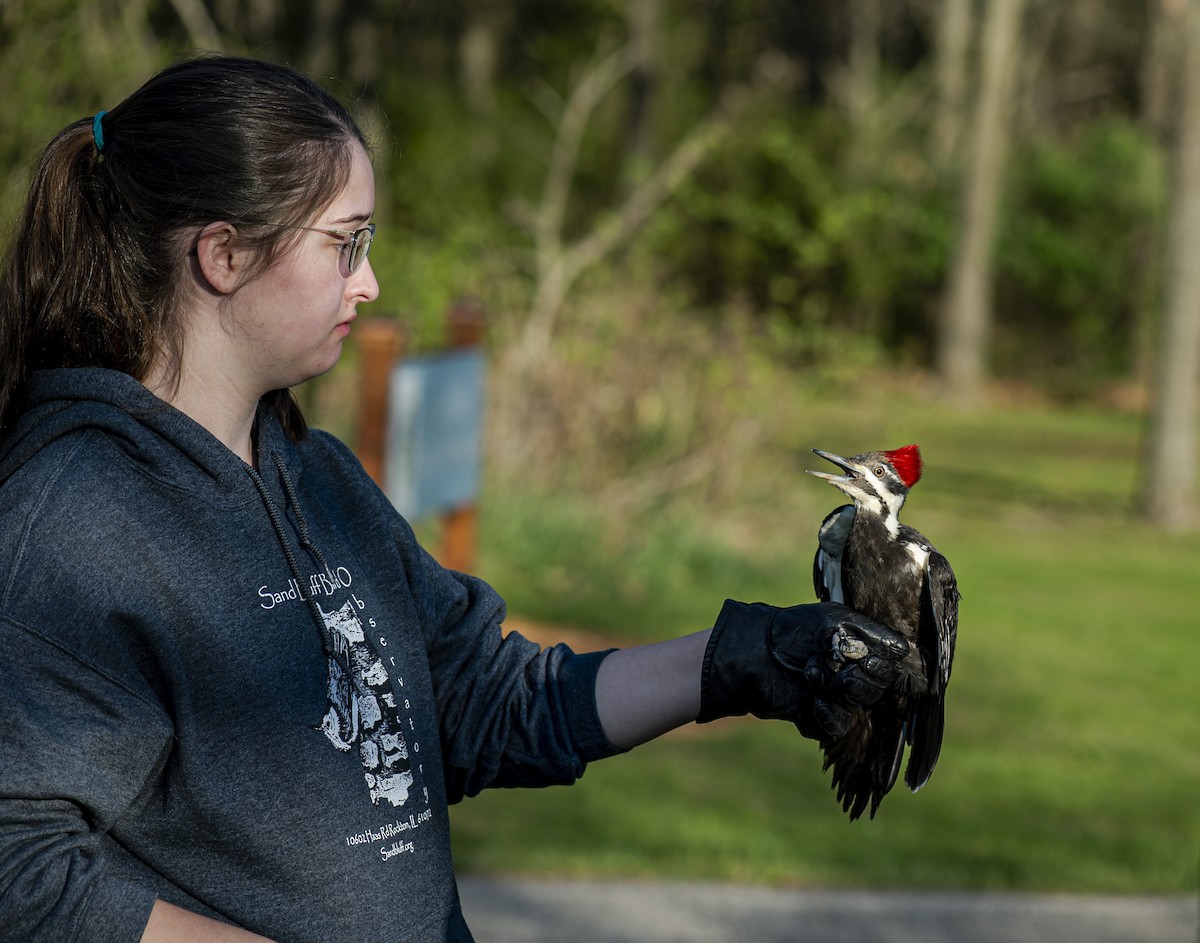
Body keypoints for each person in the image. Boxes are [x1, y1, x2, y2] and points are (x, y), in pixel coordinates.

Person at [0, 55, 909, 943]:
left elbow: (477, 700)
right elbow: (20, 874)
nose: (370, 281)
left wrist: (738, 659)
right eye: (345, 243)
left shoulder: (320, 481)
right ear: (225, 254)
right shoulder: (76, 523)